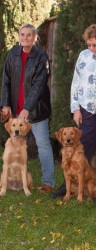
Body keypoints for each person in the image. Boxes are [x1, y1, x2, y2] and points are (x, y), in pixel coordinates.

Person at [50, 24, 96, 203]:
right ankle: (70, 185)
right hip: (86, 111)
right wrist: (75, 108)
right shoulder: (84, 55)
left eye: (95, 45)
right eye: (88, 44)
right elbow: (76, 82)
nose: (91, 48)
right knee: (80, 148)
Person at [0, 23, 55, 193]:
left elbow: (39, 85)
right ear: (19, 36)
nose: (25, 38)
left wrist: (27, 109)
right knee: (13, 145)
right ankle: (11, 179)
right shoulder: (13, 54)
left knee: (43, 144)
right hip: (16, 111)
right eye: (22, 34)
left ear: (35, 37)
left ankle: (48, 182)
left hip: (36, 111)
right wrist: (6, 104)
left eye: (29, 35)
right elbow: (6, 81)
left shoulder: (41, 56)